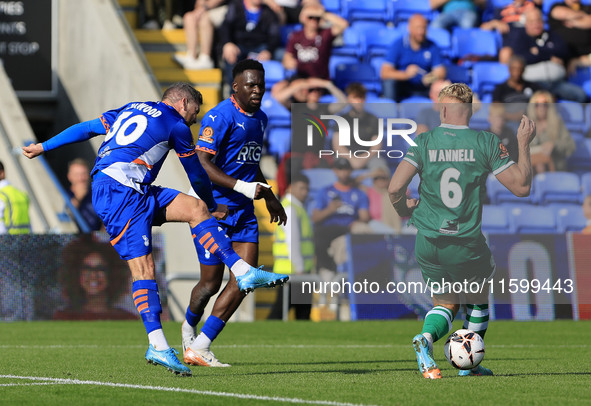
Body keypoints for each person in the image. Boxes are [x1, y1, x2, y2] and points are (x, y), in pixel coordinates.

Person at [22, 82, 288, 377]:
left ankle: (242, 270)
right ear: (184, 103)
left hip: (137, 188)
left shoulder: (131, 108)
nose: (194, 120)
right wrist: (213, 202)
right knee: (144, 268)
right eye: (194, 113)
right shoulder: (176, 126)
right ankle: (158, 345)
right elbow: (197, 175)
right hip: (119, 193)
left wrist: (43, 146)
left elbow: (85, 129)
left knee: (194, 209)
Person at [388, 82, 536, 379]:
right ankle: (471, 366)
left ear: (442, 109)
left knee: (445, 303)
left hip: (428, 240)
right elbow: (521, 187)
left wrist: (406, 210)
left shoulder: (423, 141)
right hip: (465, 241)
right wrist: (524, 142)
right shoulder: (486, 142)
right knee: (478, 298)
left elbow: (394, 188)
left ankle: (426, 340)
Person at [181, 59, 287, 367]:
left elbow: (249, 166)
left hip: (244, 212)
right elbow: (202, 162)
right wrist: (243, 188)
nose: (258, 90)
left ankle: (201, 345)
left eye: (261, 85)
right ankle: (189, 328)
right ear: (236, 86)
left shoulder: (261, 119)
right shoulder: (220, 116)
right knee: (210, 284)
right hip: (214, 210)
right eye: (251, 85)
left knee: (246, 279)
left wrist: (268, 195)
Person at [499, 7, 588, 102]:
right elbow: (522, 58)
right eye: (532, 21)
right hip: (533, 84)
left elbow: (563, 51)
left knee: (581, 96)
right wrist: (549, 56)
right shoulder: (520, 38)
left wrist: (538, 52)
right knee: (538, 102)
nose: (536, 24)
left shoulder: (552, 35)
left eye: (538, 20)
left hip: (556, 83)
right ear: (526, 23)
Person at [53, 235, 137, 320]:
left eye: (100, 269)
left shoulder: (126, 318)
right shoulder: (64, 317)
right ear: (76, 274)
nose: (93, 275)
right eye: (87, 269)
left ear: (112, 275)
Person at [311, 157, 370, 273]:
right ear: (335, 171)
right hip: (329, 230)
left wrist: (359, 221)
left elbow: (365, 217)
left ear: (350, 171)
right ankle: (327, 270)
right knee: (319, 237)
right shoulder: (325, 191)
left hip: (348, 229)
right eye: (340, 169)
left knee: (361, 230)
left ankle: (357, 271)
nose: (343, 172)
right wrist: (330, 210)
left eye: (346, 169)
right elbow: (315, 218)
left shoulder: (358, 193)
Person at [269, 173, 314, 320]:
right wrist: (300, 268)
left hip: (294, 270)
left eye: (306, 189)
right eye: (301, 188)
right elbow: (292, 241)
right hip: (292, 271)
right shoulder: (291, 209)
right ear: (291, 187)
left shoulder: (295, 207)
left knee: (301, 313)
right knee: (281, 312)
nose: (305, 192)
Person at [380, 14, 446, 102]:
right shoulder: (398, 45)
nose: (421, 32)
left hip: (423, 88)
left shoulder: (432, 46)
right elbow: (384, 73)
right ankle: (391, 111)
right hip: (402, 86)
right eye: (418, 28)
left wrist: (429, 78)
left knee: (443, 85)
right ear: (410, 28)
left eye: (424, 28)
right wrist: (406, 75)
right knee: (389, 83)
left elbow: (440, 72)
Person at [218, 0, 281, 87]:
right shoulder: (236, 6)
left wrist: (268, 51)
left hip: (260, 47)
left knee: (280, 54)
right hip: (238, 46)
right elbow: (225, 27)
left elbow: (274, 35)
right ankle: (234, 92)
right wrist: (227, 43)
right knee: (230, 55)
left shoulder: (268, 11)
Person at [281, 2, 348, 81]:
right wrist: (288, 62)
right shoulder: (295, 36)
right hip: (301, 80)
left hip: (320, 80)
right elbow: (287, 58)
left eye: (317, 18)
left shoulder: (325, 34)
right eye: (310, 17)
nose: (314, 20)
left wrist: (322, 13)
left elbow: (344, 24)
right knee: (280, 88)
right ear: (303, 18)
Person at [330, 82, 384, 171]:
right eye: (355, 97)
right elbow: (337, 145)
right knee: (339, 167)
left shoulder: (373, 119)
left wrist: (362, 159)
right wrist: (352, 160)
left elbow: (376, 146)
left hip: (369, 158)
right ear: (348, 98)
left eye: (361, 97)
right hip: (345, 157)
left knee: (380, 169)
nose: (358, 101)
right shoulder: (342, 119)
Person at [525, 90, 575, 173]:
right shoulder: (527, 125)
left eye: (545, 104)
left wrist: (554, 145)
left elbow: (571, 146)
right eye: (537, 104)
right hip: (532, 170)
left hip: (555, 168)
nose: (541, 108)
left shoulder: (557, 123)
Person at [173, 0, 228, 70]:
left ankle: (205, 58)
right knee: (188, 17)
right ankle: (191, 56)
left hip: (225, 8)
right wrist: (200, 9)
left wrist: (204, 7)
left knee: (205, 19)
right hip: (205, 10)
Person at [492, 55, 540, 121]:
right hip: (508, 124)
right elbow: (496, 110)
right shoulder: (500, 89)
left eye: (520, 69)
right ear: (509, 69)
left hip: (530, 121)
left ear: (523, 70)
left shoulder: (533, 87)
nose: (517, 72)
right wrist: (515, 116)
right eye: (514, 68)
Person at [548, 0, 591, 72]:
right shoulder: (557, 5)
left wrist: (573, 22)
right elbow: (563, 14)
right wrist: (583, 17)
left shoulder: (587, 8)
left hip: (586, 54)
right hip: (564, 55)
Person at [66, 158, 103, 232]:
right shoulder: (64, 195)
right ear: (69, 177)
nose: (81, 178)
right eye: (76, 175)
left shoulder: (96, 194)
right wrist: (78, 198)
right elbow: (66, 216)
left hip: (95, 238)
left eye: (83, 174)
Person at [0, 160, 30, 235]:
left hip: (6, 243)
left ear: (1, 173)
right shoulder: (21, 194)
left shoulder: (2, 195)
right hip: (24, 241)